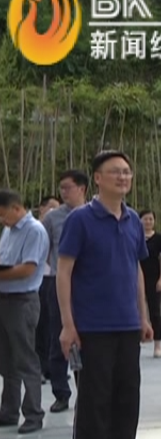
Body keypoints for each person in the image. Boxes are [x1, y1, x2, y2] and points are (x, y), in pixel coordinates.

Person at [57, 150, 154, 439]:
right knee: (93, 403)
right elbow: (64, 271)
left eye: (127, 171)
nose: (123, 177)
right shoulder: (80, 220)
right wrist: (68, 325)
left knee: (126, 399)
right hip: (91, 328)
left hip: (127, 325)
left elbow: (136, 269)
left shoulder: (132, 220)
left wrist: (143, 316)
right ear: (97, 178)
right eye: (115, 172)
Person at [0, 189, 50, 434]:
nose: (2, 220)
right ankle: (9, 411)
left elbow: (27, 269)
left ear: (16, 208)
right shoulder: (8, 230)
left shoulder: (34, 230)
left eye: (3, 214)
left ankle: (33, 413)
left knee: (25, 358)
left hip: (22, 301)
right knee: (7, 359)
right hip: (4, 299)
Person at [42, 169, 88, 413]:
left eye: (67, 188)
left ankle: (86, 393)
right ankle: (61, 392)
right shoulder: (52, 218)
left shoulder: (94, 214)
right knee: (58, 337)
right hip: (58, 283)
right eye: (61, 188)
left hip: (87, 284)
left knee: (86, 341)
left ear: (82, 189)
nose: (63, 192)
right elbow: (44, 249)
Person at [35, 196, 59, 383]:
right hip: (37, 280)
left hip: (54, 278)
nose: (54, 212)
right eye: (50, 207)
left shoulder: (61, 225)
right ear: (41, 208)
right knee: (41, 326)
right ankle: (41, 366)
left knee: (54, 325)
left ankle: (53, 366)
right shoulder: (34, 228)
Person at [139, 210, 161, 358]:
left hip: (154, 279)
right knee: (135, 311)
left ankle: (158, 344)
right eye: (145, 219)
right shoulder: (136, 236)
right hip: (137, 279)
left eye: (150, 219)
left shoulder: (159, 239)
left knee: (155, 312)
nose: (148, 222)